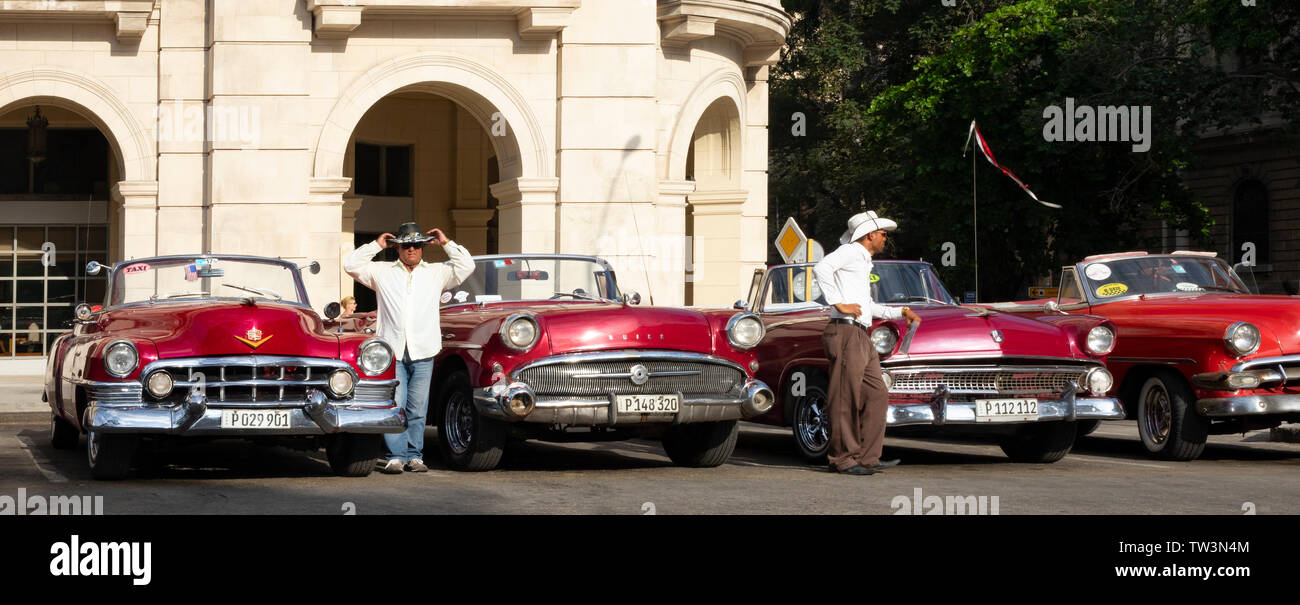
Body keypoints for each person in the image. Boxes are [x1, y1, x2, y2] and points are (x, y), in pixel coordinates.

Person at [344, 222, 474, 473]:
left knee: (417, 406)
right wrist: (376, 245)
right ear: (398, 248)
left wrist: (447, 243)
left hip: (423, 349)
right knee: (396, 404)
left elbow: (467, 265)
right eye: (406, 245)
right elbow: (351, 265)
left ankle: (415, 456)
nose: (411, 249)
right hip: (393, 350)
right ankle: (395, 455)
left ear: (424, 247)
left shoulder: (437, 272)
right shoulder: (382, 271)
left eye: (416, 244)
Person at [813, 211, 921, 475]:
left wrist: (901, 312)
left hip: (860, 334)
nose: (886, 239)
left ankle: (867, 457)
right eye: (883, 234)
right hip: (846, 332)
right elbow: (820, 267)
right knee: (844, 397)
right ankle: (843, 459)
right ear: (870, 234)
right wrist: (837, 302)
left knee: (877, 393)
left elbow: (867, 306)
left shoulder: (861, 260)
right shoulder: (850, 251)